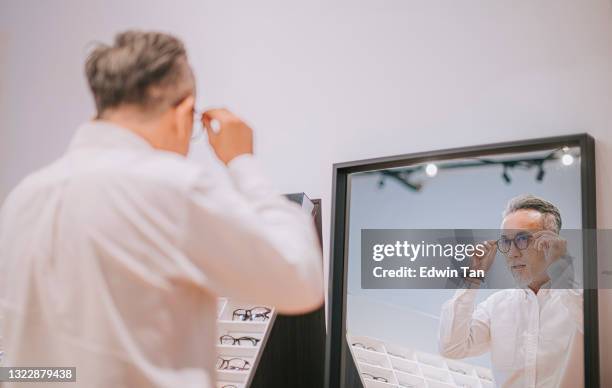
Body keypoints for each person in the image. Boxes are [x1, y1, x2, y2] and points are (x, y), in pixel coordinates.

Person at [0, 30, 324, 387]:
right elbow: (300, 281)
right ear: (184, 112)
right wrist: (242, 160)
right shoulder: (171, 187)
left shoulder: (21, 199)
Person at [439, 194, 583, 388]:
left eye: (523, 239)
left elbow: (601, 337)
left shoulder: (582, 300)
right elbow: (452, 348)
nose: (513, 253)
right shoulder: (496, 305)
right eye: (506, 242)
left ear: (552, 242)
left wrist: (560, 269)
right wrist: (472, 278)